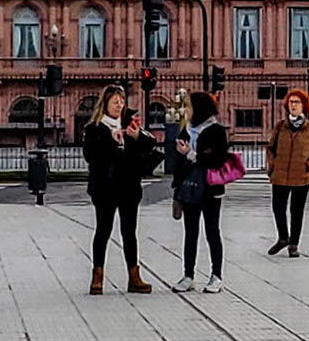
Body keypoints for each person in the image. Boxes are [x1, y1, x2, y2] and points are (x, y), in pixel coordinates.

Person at [82, 86, 154, 294]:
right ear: (105, 104)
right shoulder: (94, 128)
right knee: (103, 230)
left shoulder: (129, 124)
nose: (119, 105)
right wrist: (110, 141)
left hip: (129, 187)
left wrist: (136, 136)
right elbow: (90, 155)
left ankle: (134, 276)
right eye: (115, 102)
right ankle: (97, 276)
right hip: (104, 188)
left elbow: (150, 143)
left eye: (121, 101)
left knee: (129, 232)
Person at [169, 90, 231, 291]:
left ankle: (216, 276)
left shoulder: (216, 131)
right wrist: (176, 188)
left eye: (188, 107)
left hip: (211, 188)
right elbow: (178, 162)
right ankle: (188, 275)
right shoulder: (186, 130)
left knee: (212, 231)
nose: (185, 111)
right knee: (190, 232)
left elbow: (217, 160)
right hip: (189, 188)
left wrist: (192, 154)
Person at [266, 88, 309, 255]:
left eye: (297, 102)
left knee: (297, 211)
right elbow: (270, 148)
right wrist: (272, 165)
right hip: (280, 175)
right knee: (278, 208)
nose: (293, 105)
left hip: (301, 176)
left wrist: (308, 165)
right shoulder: (280, 127)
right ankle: (283, 237)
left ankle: (294, 244)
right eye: (291, 102)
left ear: (304, 106)